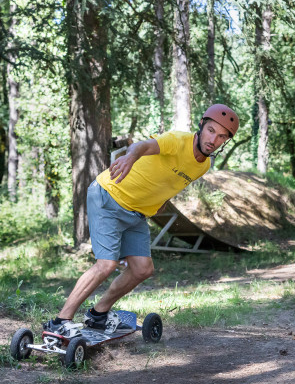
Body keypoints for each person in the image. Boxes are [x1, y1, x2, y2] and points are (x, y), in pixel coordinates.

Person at [44, 104, 240, 336]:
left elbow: (172, 180)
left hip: (137, 214)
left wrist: (160, 201)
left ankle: (98, 315)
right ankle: (60, 320)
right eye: (210, 130)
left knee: (142, 269)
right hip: (109, 196)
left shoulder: (204, 165)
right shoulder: (178, 140)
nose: (213, 139)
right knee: (106, 265)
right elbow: (143, 146)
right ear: (201, 125)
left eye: (221, 137)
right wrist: (130, 157)